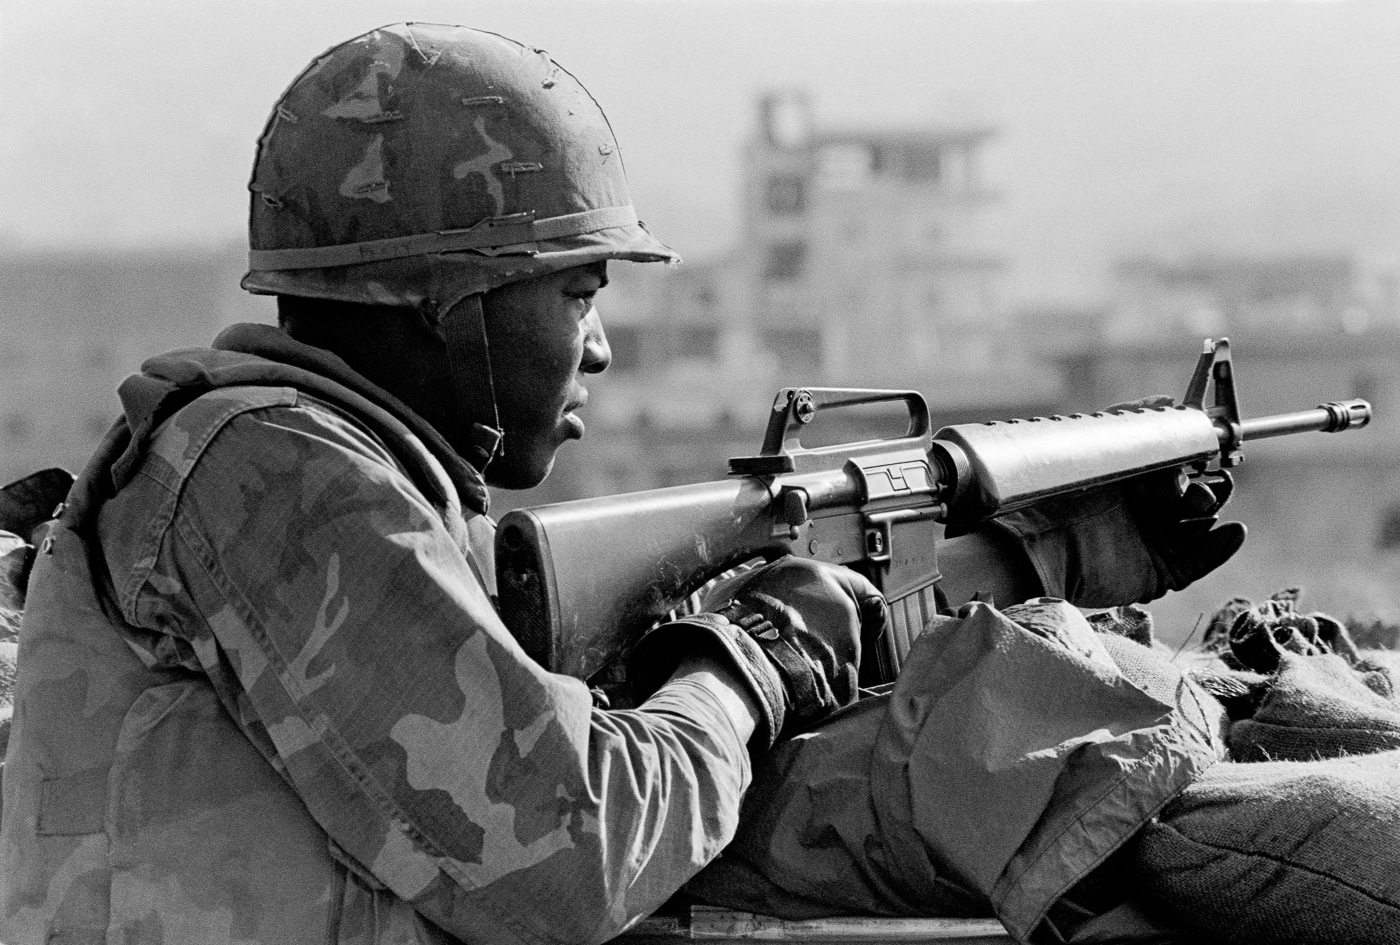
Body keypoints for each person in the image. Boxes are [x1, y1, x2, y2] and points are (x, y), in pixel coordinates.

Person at [3, 23, 1351, 945]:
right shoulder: (270, 480)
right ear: (450, 302)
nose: (599, 342)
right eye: (577, 290)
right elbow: (570, 848)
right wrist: (748, 654)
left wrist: (1054, 562)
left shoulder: (330, 479)